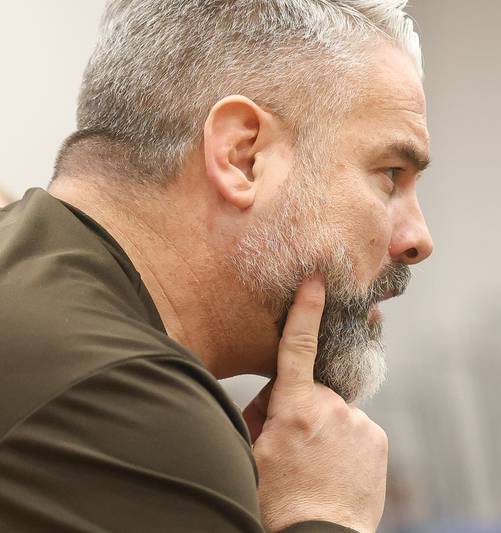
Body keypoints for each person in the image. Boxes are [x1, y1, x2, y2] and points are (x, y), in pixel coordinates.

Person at [0, 1, 433, 532]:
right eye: (391, 173)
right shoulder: (124, 395)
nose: (418, 239)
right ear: (242, 155)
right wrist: (323, 515)